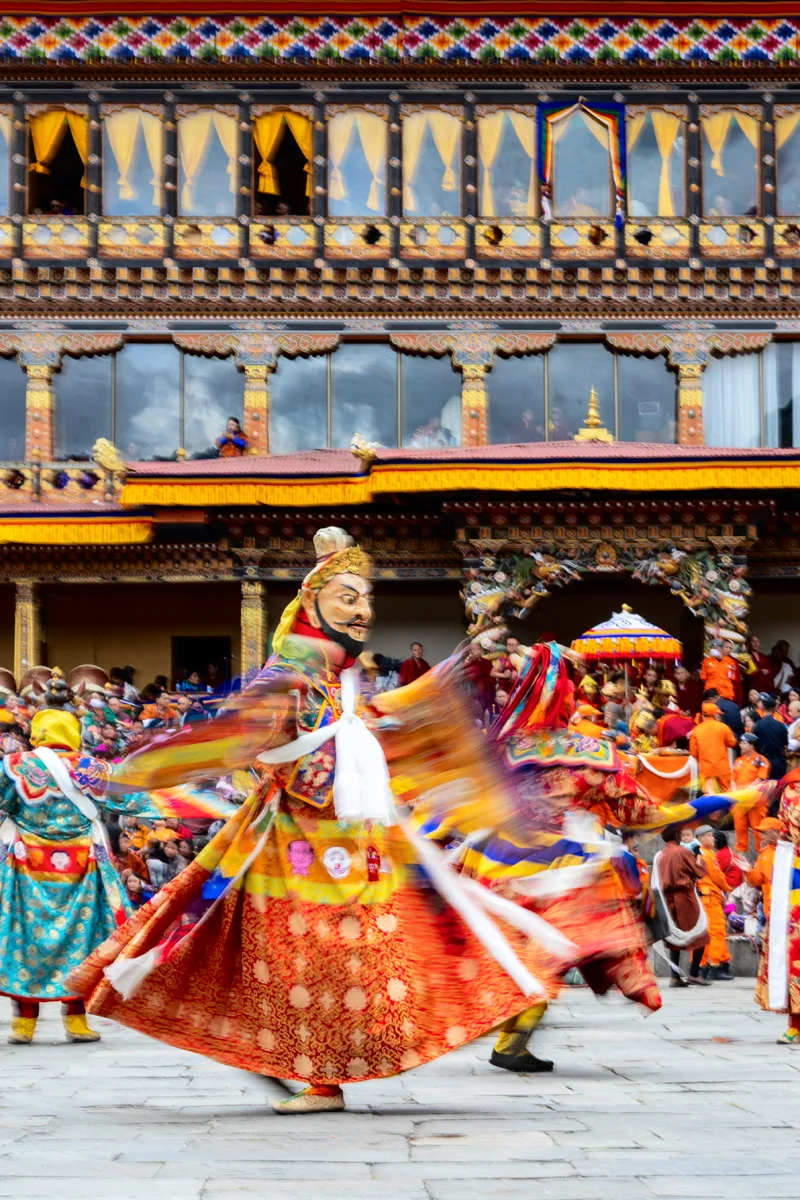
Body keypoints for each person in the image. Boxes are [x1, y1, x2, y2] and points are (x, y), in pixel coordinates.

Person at [71, 526, 563, 1115]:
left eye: (366, 600)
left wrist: (464, 663)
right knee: (305, 959)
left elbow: (395, 718)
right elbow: (229, 740)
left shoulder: (339, 683)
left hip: (354, 842)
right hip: (292, 842)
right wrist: (129, 770)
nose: (363, 612)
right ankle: (316, 1076)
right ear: (312, 605)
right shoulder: (290, 677)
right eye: (347, 597)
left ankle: (360, 1060)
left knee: (384, 948)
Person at [0, 699, 138, 1044]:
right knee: (83, 940)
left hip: (27, 864)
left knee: (24, 937)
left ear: (38, 733)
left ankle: (24, 1024)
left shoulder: (15, 765)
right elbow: (129, 801)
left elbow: (5, 803)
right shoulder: (92, 768)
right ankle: (76, 1020)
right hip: (82, 865)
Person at [754, 778, 800, 1043]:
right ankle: (795, 1022)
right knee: (793, 949)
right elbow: (793, 826)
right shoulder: (792, 787)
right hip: (795, 883)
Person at [653, 825, 710, 987]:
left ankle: (675, 976)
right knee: (701, 932)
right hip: (685, 897)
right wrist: (699, 858)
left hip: (667, 899)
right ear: (677, 835)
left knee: (674, 938)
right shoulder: (683, 852)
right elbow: (699, 872)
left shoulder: (660, 855)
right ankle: (694, 973)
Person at [696, 824, 734, 981]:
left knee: (706, 931)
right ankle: (715, 965)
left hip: (708, 895)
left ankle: (703, 965)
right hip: (710, 896)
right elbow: (717, 876)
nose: (713, 838)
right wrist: (727, 888)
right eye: (709, 836)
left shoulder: (704, 854)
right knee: (716, 930)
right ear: (700, 838)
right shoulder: (706, 855)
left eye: (712, 835)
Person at [732, 733, 770, 852]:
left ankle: (762, 852)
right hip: (740, 800)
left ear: (752, 745)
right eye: (741, 743)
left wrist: (747, 791)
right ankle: (741, 851)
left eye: (744, 743)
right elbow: (733, 778)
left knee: (758, 826)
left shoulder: (760, 760)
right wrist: (734, 793)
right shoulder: (738, 760)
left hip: (755, 799)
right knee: (739, 826)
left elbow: (760, 779)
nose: (741, 745)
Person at [689, 702, 737, 793]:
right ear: (714, 714)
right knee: (726, 796)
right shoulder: (723, 727)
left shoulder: (696, 730)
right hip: (722, 769)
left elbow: (693, 753)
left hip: (707, 771)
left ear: (703, 715)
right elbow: (732, 743)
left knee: (710, 798)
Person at [745, 816, 780, 926]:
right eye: (761, 832)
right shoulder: (764, 854)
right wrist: (748, 871)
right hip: (770, 906)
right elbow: (756, 881)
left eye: (764, 832)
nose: (761, 835)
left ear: (775, 831)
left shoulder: (791, 850)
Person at [754, 694, 789, 783]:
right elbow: (786, 746)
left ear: (762, 708)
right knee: (778, 787)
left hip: (763, 762)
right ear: (774, 709)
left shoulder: (757, 725)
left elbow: (754, 746)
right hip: (779, 762)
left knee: (764, 790)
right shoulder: (781, 725)